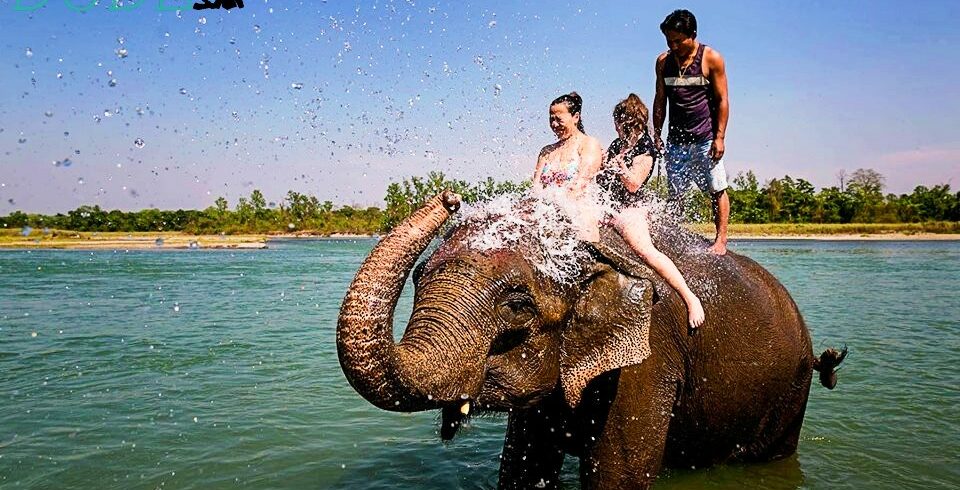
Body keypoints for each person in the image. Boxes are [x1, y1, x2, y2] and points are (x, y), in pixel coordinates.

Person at [598, 94, 705, 330]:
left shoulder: (645, 147)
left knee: (645, 250)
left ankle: (690, 298)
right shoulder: (617, 144)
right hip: (608, 204)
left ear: (626, 121)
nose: (614, 127)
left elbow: (634, 184)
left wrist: (621, 168)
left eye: (617, 122)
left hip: (631, 208)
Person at [653, 9, 731, 255]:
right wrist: (657, 133)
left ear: (693, 35)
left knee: (716, 189)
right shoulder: (663, 62)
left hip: (705, 139)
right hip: (676, 141)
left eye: (678, 41)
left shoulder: (711, 59)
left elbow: (722, 100)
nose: (673, 46)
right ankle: (672, 237)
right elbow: (660, 99)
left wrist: (719, 138)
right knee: (675, 194)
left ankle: (721, 240)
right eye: (669, 41)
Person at [533, 92, 604, 242]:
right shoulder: (546, 152)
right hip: (549, 221)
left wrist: (554, 212)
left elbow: (580, 186)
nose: (554, 125)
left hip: (579, 221)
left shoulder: (589, 144)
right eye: (551, 119)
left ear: (576, 117)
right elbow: (536, 189)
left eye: (559, 119)